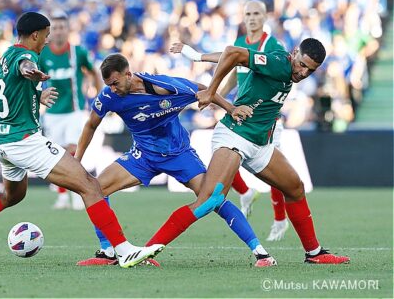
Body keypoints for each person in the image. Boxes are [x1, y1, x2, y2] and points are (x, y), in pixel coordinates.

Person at [0, 12, 164, 268]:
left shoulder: (4, 57)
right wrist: (32, 73)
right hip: (25, 141)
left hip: (2, 141)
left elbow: (10, 89)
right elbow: (25, 67)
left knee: (11, 197)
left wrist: (36, 95)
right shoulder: (27, 56)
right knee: (89, 185)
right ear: (35, 34)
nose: (47, 40)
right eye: (45, 34)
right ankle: (122, 250)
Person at [147, 38, 350, 264]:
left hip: (260, 145)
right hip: (235, 135)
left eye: (310, 70)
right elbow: (233, 52)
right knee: (209, 200)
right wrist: (211, 91)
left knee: (295, 188)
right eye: (302, 64)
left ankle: (314, 253)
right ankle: (146, 251)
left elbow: (235, 56)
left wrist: (198, 56)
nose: (303, 73)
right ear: (294, 53)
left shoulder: (280, 62)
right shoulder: (278, 64)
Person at [74, 53, 276, 268]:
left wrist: (231, 108)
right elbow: (90, 125)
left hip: (179, 154)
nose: (112, 89)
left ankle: (260, 253)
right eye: (108, 85)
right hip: (142, 155)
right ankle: (108, 251)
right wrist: (78, 159)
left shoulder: (165, 87)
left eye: (115, 83)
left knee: (212, 199)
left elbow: (202, 89)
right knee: (95, 189)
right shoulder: (109, 97)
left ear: (128, 74)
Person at [170, 0, 290, 241]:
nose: (252, 18)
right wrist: (216, 97)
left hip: (265, 119)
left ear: (265, 16)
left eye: (257, 13)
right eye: (248, 14)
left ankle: (279, 218)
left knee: (275, 175)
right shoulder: (239, 42)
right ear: (243, 17)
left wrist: (198, 58)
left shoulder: (272, 45)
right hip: (242, 113)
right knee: (224, 152)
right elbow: (234, 69)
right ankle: (245, 193)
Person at [38, 10, 102, 210]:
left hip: (75, 112)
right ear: (50, 32)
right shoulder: (43, 54)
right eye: (54, 28)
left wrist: (100, 97)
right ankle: (62, 196)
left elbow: (94, 72)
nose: (58, 32)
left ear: (67, 30)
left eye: (62, 28)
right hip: (52, 114)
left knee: (74, 153)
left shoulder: (78, 52)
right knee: (57, 158)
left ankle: (77, 194)